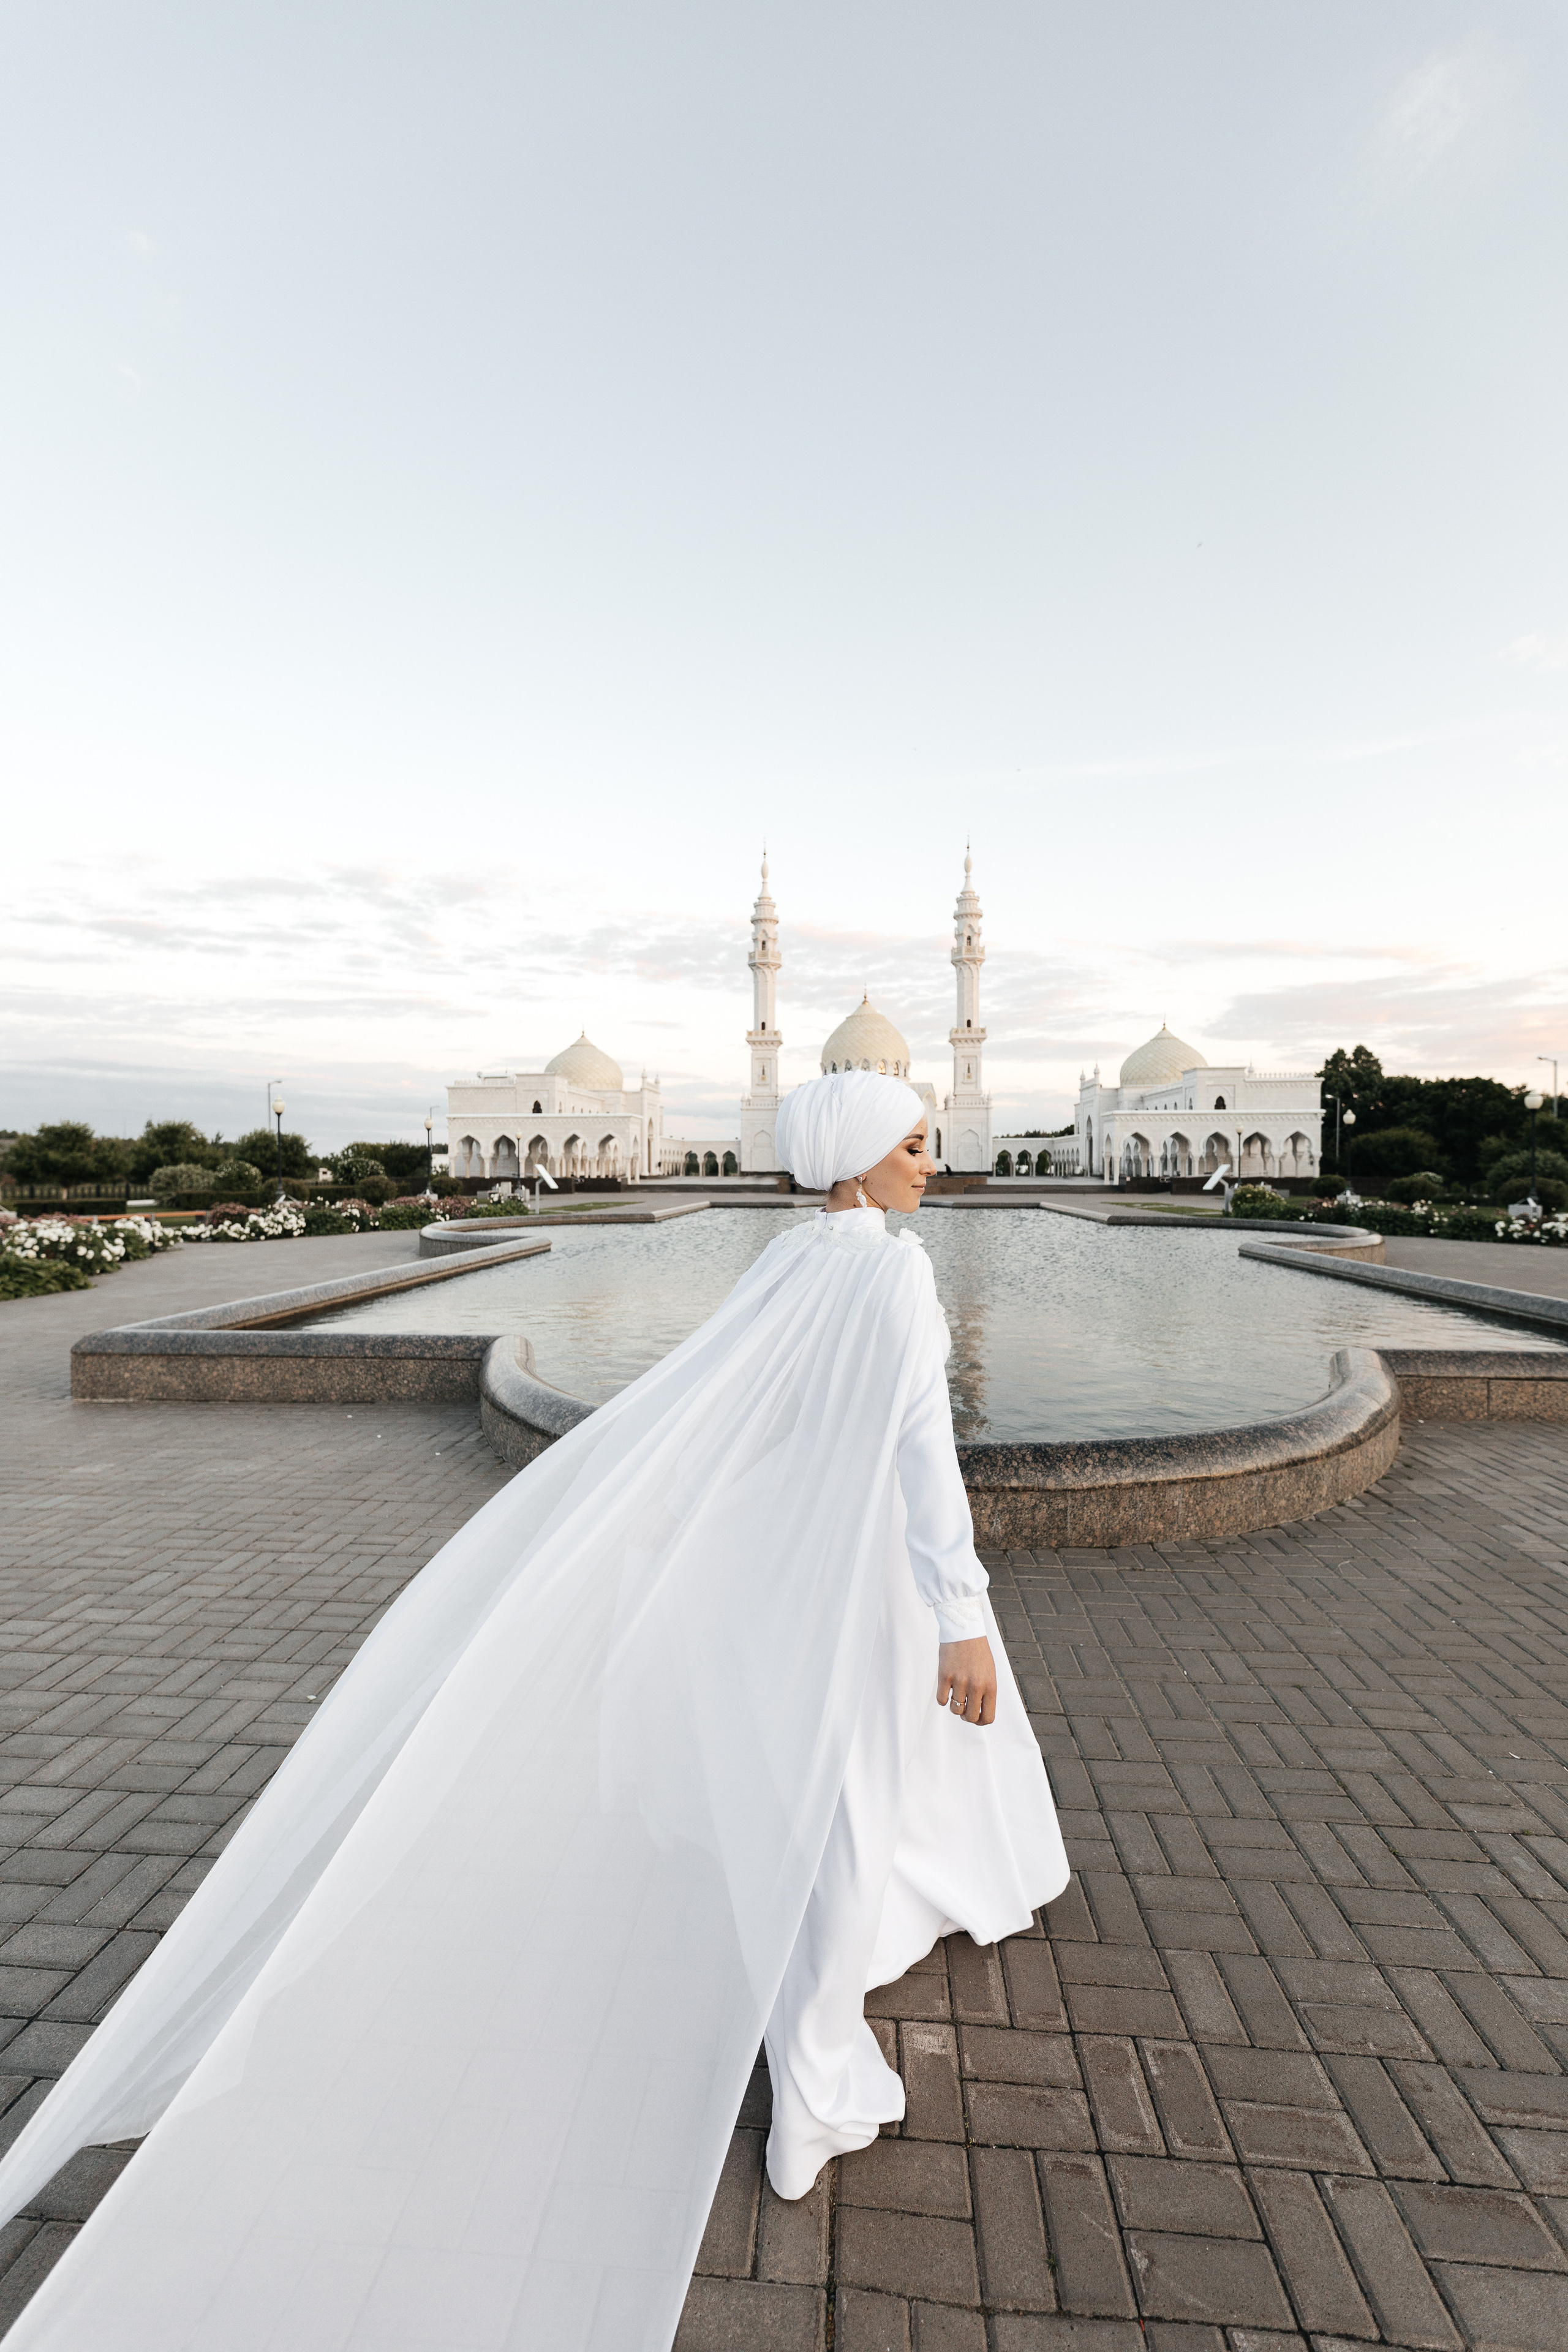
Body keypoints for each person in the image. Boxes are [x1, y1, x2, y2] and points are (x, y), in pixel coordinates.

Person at [0, 1071, 1068, 2351]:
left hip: (768, 1557)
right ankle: (818, 2082)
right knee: (850, 1789)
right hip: (857, 1573)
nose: (926, 1167)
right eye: (907, 1146)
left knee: (809, 1785)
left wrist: (678, 1529)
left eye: (927, 1146)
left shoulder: (791, 1262)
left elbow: (728, 1418)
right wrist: (957, 1608)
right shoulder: (886, 1275)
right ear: (851, 1151)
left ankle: (814, 2037)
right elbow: (914, 1451)